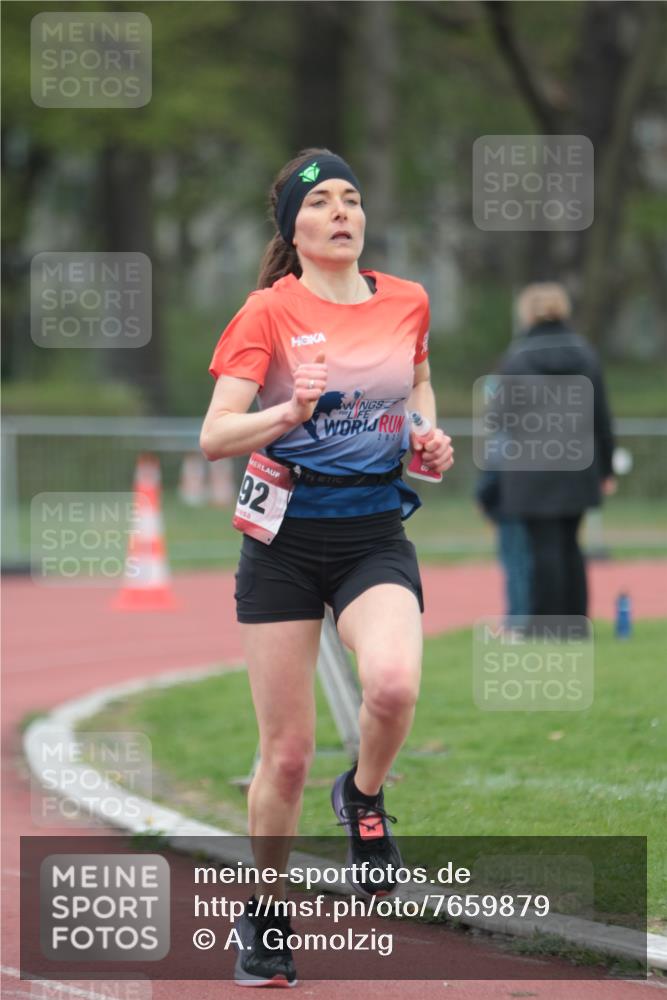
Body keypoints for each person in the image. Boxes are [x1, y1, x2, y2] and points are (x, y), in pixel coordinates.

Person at [200, 147, 453, 987]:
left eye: (352, 198)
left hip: (373, 533)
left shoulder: (406, 301)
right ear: (294, 229)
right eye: (322, 202)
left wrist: (426, 435)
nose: (342, 211)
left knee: (392, 687)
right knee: (286, 755)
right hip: (281, 543)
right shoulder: (265, 313)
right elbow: (214, 436)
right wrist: (292, 410)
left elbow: (416, 385)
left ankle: (366, 797)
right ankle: (264, 913)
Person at [496, 282, 616, 636]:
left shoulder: (517, 358)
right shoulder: (586, 354)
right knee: (570, 545)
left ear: (527, 313)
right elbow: (602, 417)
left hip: (531, 468)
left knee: (541, 547)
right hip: (577, 467)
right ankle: (576, 623)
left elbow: (502, 417)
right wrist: (606, 467)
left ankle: (546, 625)